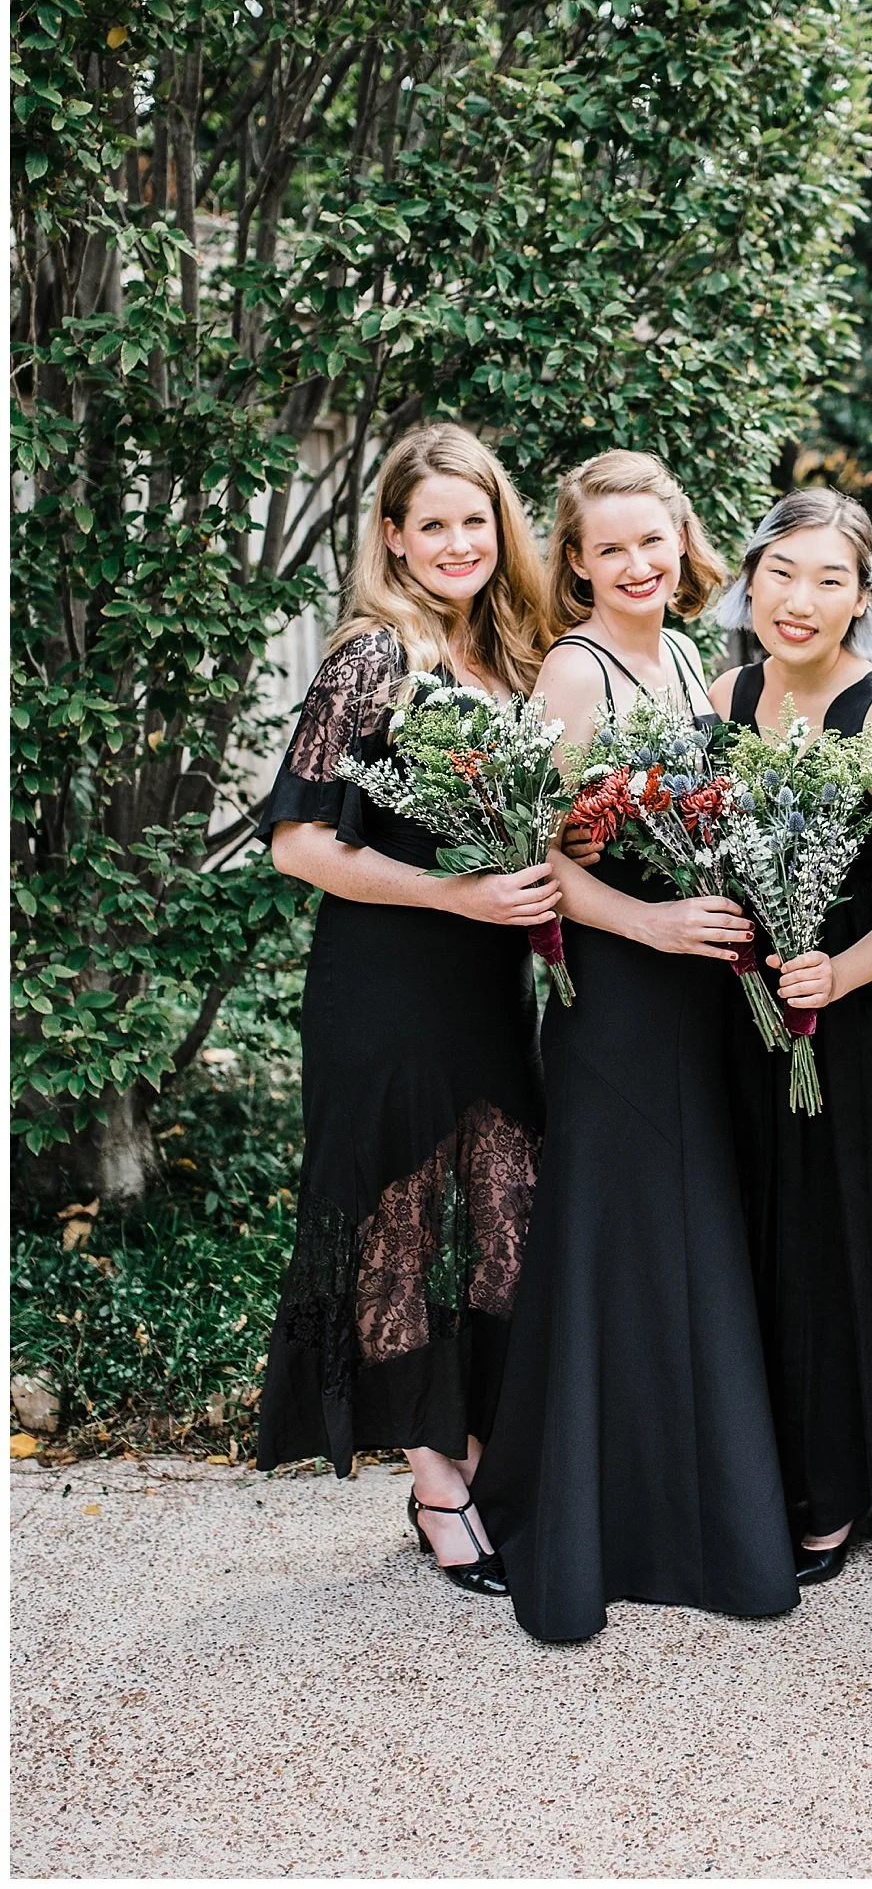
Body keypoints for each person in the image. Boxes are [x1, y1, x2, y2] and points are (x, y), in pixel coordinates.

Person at [472, 450, 800, 1642]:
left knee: (690, 1237)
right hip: (617, 992)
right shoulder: (575, 669)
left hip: (699, 990)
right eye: (609, 547)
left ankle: (694, 1507)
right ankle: (597, 1525)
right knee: (618, 1240)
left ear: (682, 540)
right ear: (576, 561)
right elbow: (540, 859)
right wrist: (654, 923)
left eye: (652, 540)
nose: (637, 563)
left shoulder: (690, 661)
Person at [257, 423, 558, 1595]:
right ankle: (437, 1482)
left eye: (475, 520)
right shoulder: (374, 657)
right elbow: (297, 843)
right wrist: (455, 892)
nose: (456, 542)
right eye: (431, 523)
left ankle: (475, 1447)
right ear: (392, 536)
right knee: (402, 1227)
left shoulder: (515, 652)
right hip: (385, 985)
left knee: (505, 1224)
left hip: (488, 988)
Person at [710, 490, 872, 1603]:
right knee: (795, 1256)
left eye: (829, 579)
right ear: (750, 582)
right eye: (782, 573)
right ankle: (826, 1489)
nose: (800, 599)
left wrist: (842, 972)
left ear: (862, 598)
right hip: (763, 1024)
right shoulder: (727, 698)